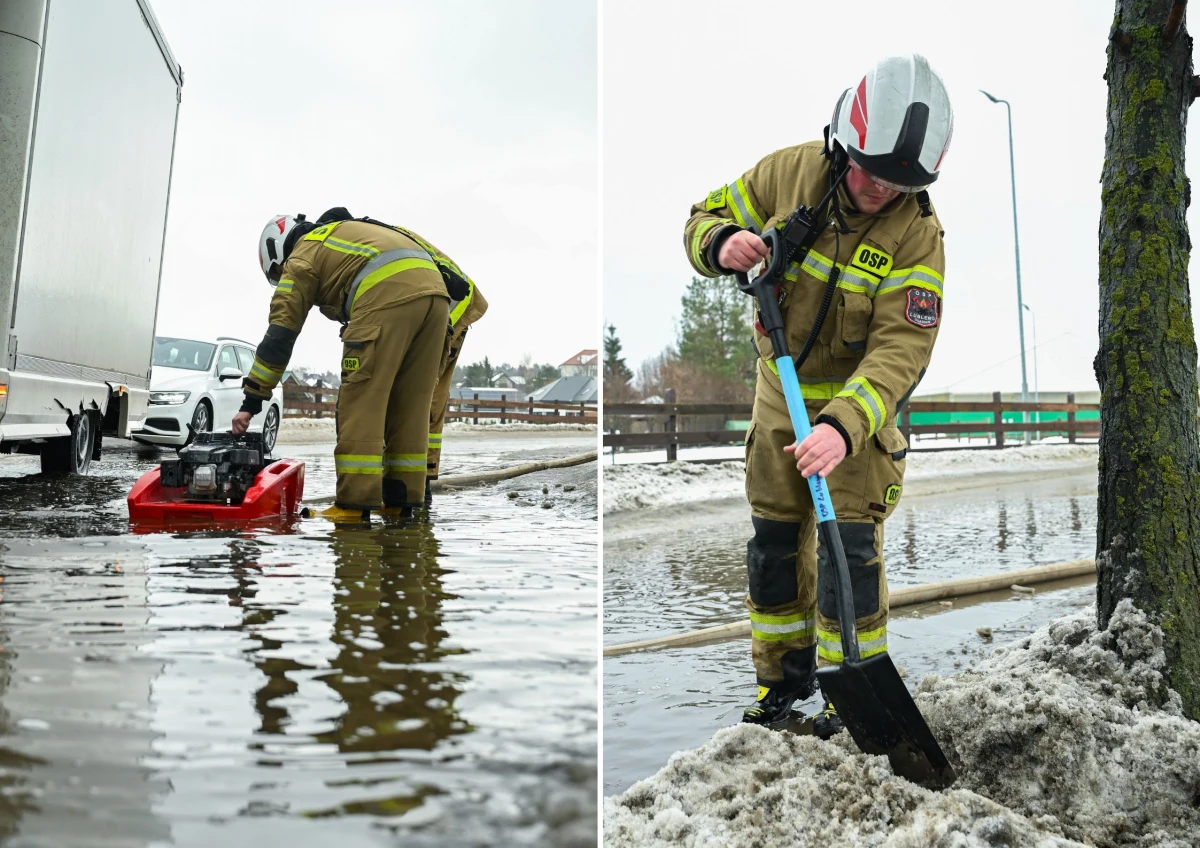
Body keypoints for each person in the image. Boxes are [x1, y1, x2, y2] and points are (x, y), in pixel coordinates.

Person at [682, 53, 953, 736]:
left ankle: (848, 689)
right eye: (869, 172)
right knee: (774, 546)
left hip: (855, 417)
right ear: (843, 143)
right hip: (781, 392)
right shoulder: (788, 174)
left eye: (897, 183)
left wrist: (842, 426)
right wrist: (723, 242)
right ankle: (782, 681)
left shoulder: (917, 235)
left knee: (848, 555)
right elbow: (702, 217)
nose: (880, 190)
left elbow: (902, 350)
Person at [233, 208, 478, 520]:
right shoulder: (345, 233)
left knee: (361, 401)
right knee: (411, 405)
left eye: (279, 274)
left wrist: (251, 401)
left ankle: (353, 505)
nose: (283, 278)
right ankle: (401, 500)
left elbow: (280, 334)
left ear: (277, 253)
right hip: (438, 303)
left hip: (387, 295)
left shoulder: (302, 255)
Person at [424, 274, 488, 505]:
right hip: (443, 309)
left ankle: (421, 479)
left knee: (425, 397)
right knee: (425, 397)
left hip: (449, 311)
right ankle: (418, 481)